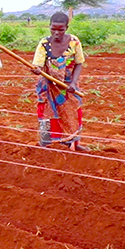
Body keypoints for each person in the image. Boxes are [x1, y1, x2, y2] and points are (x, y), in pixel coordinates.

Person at [31, 11, 86, 151]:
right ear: (49, 27)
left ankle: (73, 143)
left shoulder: (74, 42)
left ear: (66, 28)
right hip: (47, 85)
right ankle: (46, 144)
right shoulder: (44, 44)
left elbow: (79, 63)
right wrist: (37, 69)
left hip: (68, 85)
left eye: (60, 30)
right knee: (45, 113)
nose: (56, 33)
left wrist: (73, 83)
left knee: (73, 111)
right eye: (53, 29)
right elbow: (37, 64)